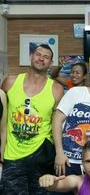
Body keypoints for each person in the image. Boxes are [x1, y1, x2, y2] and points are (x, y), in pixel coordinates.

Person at [0, 44, 64, 195]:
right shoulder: (10, 82)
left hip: (41, 156)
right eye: (38, 54)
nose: (41, 58)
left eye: (46, 57)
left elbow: (57, 124)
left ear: (50, 63)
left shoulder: (56, 89)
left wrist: (59, 152)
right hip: (12, 156)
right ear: (30, 57)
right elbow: (1, 117)